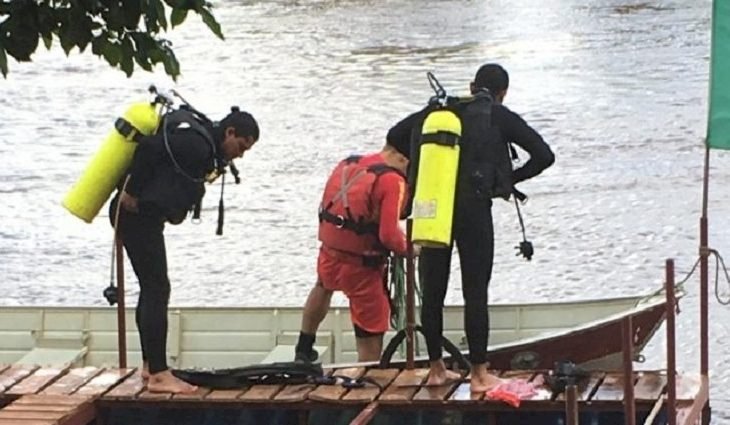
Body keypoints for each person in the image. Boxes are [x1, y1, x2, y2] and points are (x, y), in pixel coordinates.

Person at [386, 63, 555, 392]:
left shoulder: (437, 110)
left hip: (431, 207)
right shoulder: (498, 115)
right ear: (502, 93)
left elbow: (394, 136)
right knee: (475, 291)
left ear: (471, 84)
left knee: (432, 292)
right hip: (473, 208)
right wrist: (505, 181)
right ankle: (479, 374)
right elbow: (544, 155)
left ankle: (436, 369)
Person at [110, 106, 260, 394]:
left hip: (142, 217)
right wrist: (132, 192)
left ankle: (149, 366)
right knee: (157, 288)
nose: (240, 154)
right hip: (134, 215)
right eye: (241, 146)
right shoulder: (196, 143)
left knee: (152, 287)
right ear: (229, 132)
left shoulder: (204, 145)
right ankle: (158, 374)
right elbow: (149, 147)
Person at [294, 138, 411, 363]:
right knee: (372, 320)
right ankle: (367, 371)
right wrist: (411, 250)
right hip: (362, 267)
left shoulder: (348, 163)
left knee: (322, 286)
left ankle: (303, 348)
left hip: (329, 254)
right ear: (402, 157)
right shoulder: (391, 181)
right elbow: (389, 235)